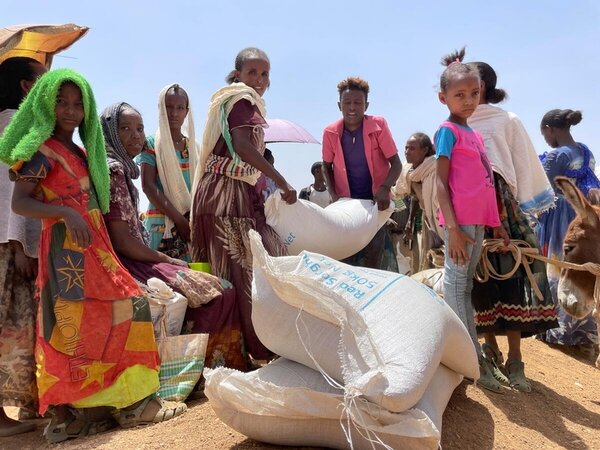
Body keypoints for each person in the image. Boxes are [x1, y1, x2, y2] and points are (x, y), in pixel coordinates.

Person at [0, 69, 185, 443]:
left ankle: (90, 412)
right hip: (66, 254)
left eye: (77, 104)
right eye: (62, 103)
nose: (70, 111)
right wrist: (66, 213)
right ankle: (127, 406)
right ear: (45, 105)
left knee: (107, 318)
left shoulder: (82, 152)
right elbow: (21, 203)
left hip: (92, 249)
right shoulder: (41, 151)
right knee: (86, 321)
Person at [100, 102, 246, 371]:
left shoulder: (118, 170)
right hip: (129, 263)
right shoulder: (115, 172)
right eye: (125, 128)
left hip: (137, 257)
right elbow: (123, 241)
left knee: (209, 284)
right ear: (109, 133)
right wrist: (166, 258)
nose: (136, 135)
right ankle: (202, 369)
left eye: (139, 129)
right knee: (220, 290)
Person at [190, 48, 296, 363]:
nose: (260, 80)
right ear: (238, 75)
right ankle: (258, 351)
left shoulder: (229, 101)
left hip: (217, 194)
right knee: (242, 274)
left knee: (223, 274)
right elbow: (242, 145)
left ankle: (227, 353)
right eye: (253, 73)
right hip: (225, 197)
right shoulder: (242, 101)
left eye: (265, 74)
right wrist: (281, 180)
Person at [467, 61, 558, 392]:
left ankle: (516, 359)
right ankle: (490, 350)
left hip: (506, 212)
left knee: (515, 277)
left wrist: (512, 207)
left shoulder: (508, 120)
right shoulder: (457, 123)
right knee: (481, 281)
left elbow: (522, 162)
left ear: (485, 87)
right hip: (470, 211)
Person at [435, 48, 509, 393]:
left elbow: (483, 181)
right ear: (443, 98)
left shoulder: (475, 135)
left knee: (465, 288)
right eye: (459, 95)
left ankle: (470, 357)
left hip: (477, 223)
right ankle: (470, 360)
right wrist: (452, 229)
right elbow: (440, 182)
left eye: (473, 94)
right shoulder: (447, 131)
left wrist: (498, 224)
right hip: (459, 223)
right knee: (455, 286)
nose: (467, 101)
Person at [0, 56, 46, 437]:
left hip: (9, 243)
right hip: (7, 246)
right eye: (42, 82)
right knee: (8, 329)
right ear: (25, 87)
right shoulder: (13, 124)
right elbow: (7, 195)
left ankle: (19, 410)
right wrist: (20, 245)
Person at [322, 76, 402, 270]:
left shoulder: (379, 126)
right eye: (347, 102)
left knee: (374, 254)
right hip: (347, 206)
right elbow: (326, 166)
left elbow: (396, 164)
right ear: (339, 105)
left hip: (375, 204)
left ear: (366, 105)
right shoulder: (331, 132)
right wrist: (334, 195)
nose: (352, 108)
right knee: (346, 254)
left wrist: (384, 188)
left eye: (358, 102)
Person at [536, 109, 598, 354]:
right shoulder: (586, 152)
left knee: (557, 266)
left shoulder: (556, 156)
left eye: (545, 134)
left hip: (558, 215)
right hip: (584, 216)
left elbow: (542, 190)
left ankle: (557, 331)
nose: (546, 140)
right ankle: (584, 334)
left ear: (551, 129)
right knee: (585, 269)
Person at [139, 84, 198, 262]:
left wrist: (189, 223)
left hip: (190, 226)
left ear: (186, 112)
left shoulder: (194, 148)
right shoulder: (150, 143)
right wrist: (179, 221)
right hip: (160, 226)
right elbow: (148, 186)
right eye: (169, 107)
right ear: (161, 109)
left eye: (180, 108)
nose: (174, 113)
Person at [394, 133, 443, 273]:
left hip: (441, 221)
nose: (407, 152)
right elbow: (415, 198)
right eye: (406, 148)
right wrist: (410, 220)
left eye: (412, 148)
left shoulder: (433, 168)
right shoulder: (410, 173)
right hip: (425, 222)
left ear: (425, 150)